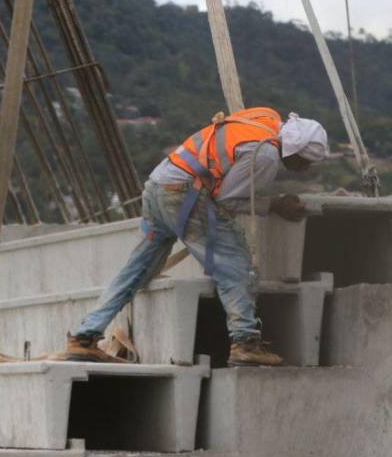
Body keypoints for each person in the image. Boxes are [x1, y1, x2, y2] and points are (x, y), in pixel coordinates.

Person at [64, 107, 328, 367]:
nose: (304, 169)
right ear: (294, 150)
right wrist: (274, 206)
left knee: (136, 271)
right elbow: (227, 199)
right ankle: (245, 343)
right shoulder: (266, 156)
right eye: (304, 161)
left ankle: (84, 336)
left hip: (158, 186)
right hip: (184, 196)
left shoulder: (264, 117)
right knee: (235, 266)